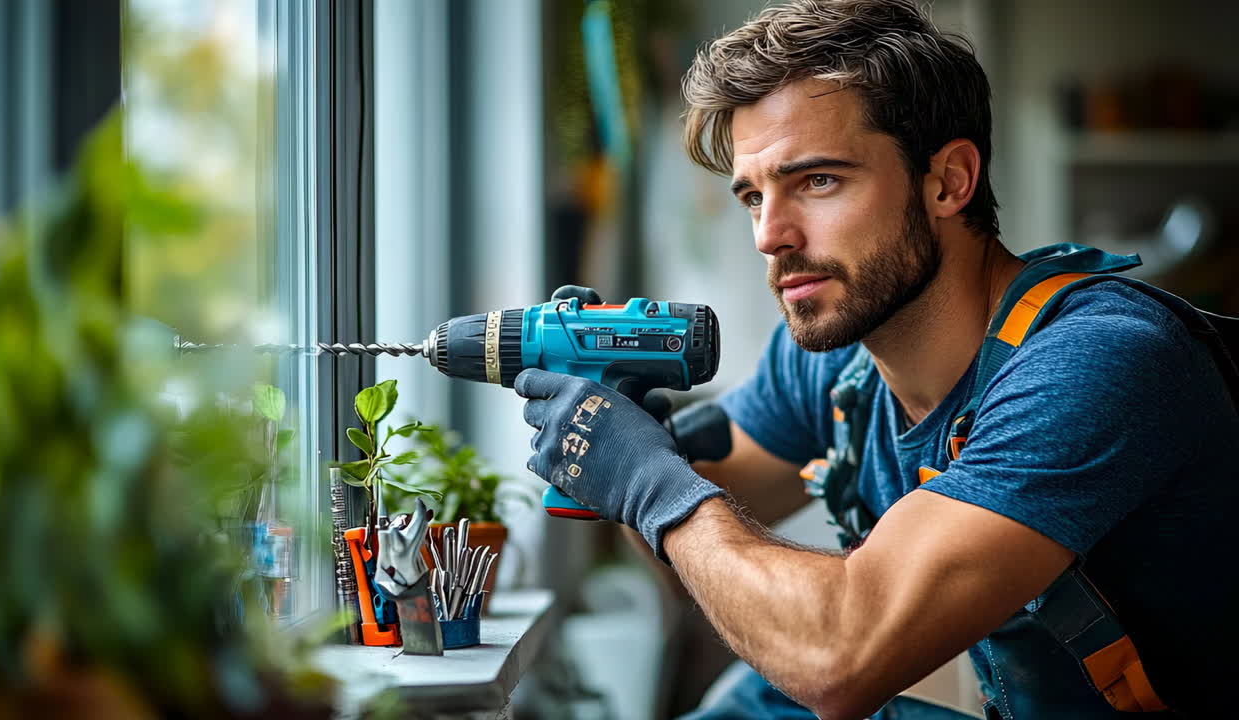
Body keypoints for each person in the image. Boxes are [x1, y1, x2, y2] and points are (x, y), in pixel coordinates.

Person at [515, 1, 1238, 718]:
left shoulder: (1098, 362)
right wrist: (631, 451)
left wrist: (651, 485)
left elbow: (838, 662)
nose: (770, 235)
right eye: (752, 196)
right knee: (759, 708)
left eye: (818, 181)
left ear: (949, 181)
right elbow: (701, 549)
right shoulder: (836, 357)